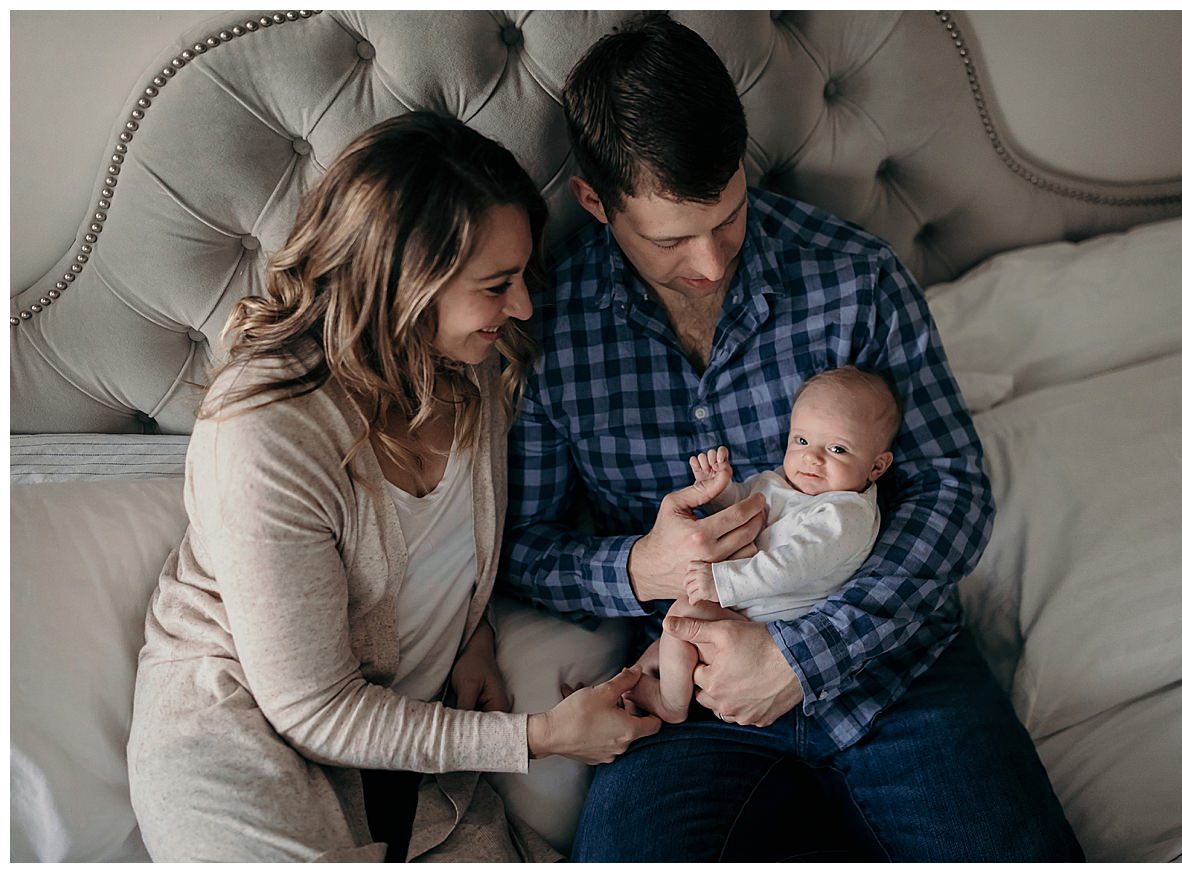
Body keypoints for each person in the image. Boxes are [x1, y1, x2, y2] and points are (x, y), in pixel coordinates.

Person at [500, 14, 1084, 862]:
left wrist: (802, 655)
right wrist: (640, 567)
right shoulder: (550, 331)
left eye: (728, 216)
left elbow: (954, 489)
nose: (709, 260)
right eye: (670, 239)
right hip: (690, 704)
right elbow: (521, 546)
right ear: (594, 201)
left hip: (896, 671)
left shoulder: (856, 277)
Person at [125, 111, 660, 863]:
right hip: (244, 739)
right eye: (498, 285)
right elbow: (313, 706)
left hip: (411, 755)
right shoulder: (267, 430)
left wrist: (470, 630)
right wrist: (536, 737)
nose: (524, 308)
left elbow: (438, 551)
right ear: (409, 283)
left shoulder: (472, 369)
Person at [632, 366, 901, 723]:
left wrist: (723, 581)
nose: (812, 458)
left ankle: (672, 705)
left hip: (774, 627)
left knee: (684, 613)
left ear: (877, 466)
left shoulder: (844, 514)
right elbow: (744, 506)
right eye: (801, 441)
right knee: (671, 632)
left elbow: (791, 566)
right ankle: (640, 677)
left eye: (837, 449)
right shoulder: (782, 482)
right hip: (747, 607)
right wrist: (720, 491)